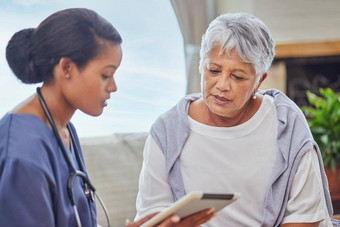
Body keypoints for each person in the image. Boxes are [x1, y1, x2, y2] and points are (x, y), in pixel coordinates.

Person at [0, 8, 214, 227]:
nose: (113, 87)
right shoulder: (22, 151)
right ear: (67, 67)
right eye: (105, 75)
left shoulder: (64, 130)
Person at [135, 12, 336, 226]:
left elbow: (305, 217)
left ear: (259, 81)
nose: (222, 85)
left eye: (237, 76)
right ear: (201, 67)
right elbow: (153, 216)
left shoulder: (286, 123)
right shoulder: (166, 133)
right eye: (214, 70)